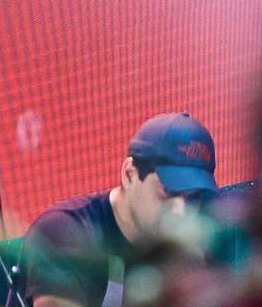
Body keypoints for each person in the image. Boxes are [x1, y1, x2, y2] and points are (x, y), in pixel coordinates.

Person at [26, 114, 220, 307]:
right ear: (129, 175)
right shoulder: (65, 231)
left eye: (193, 197)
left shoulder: (186, 254)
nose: (181, 211)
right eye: (168, 192)